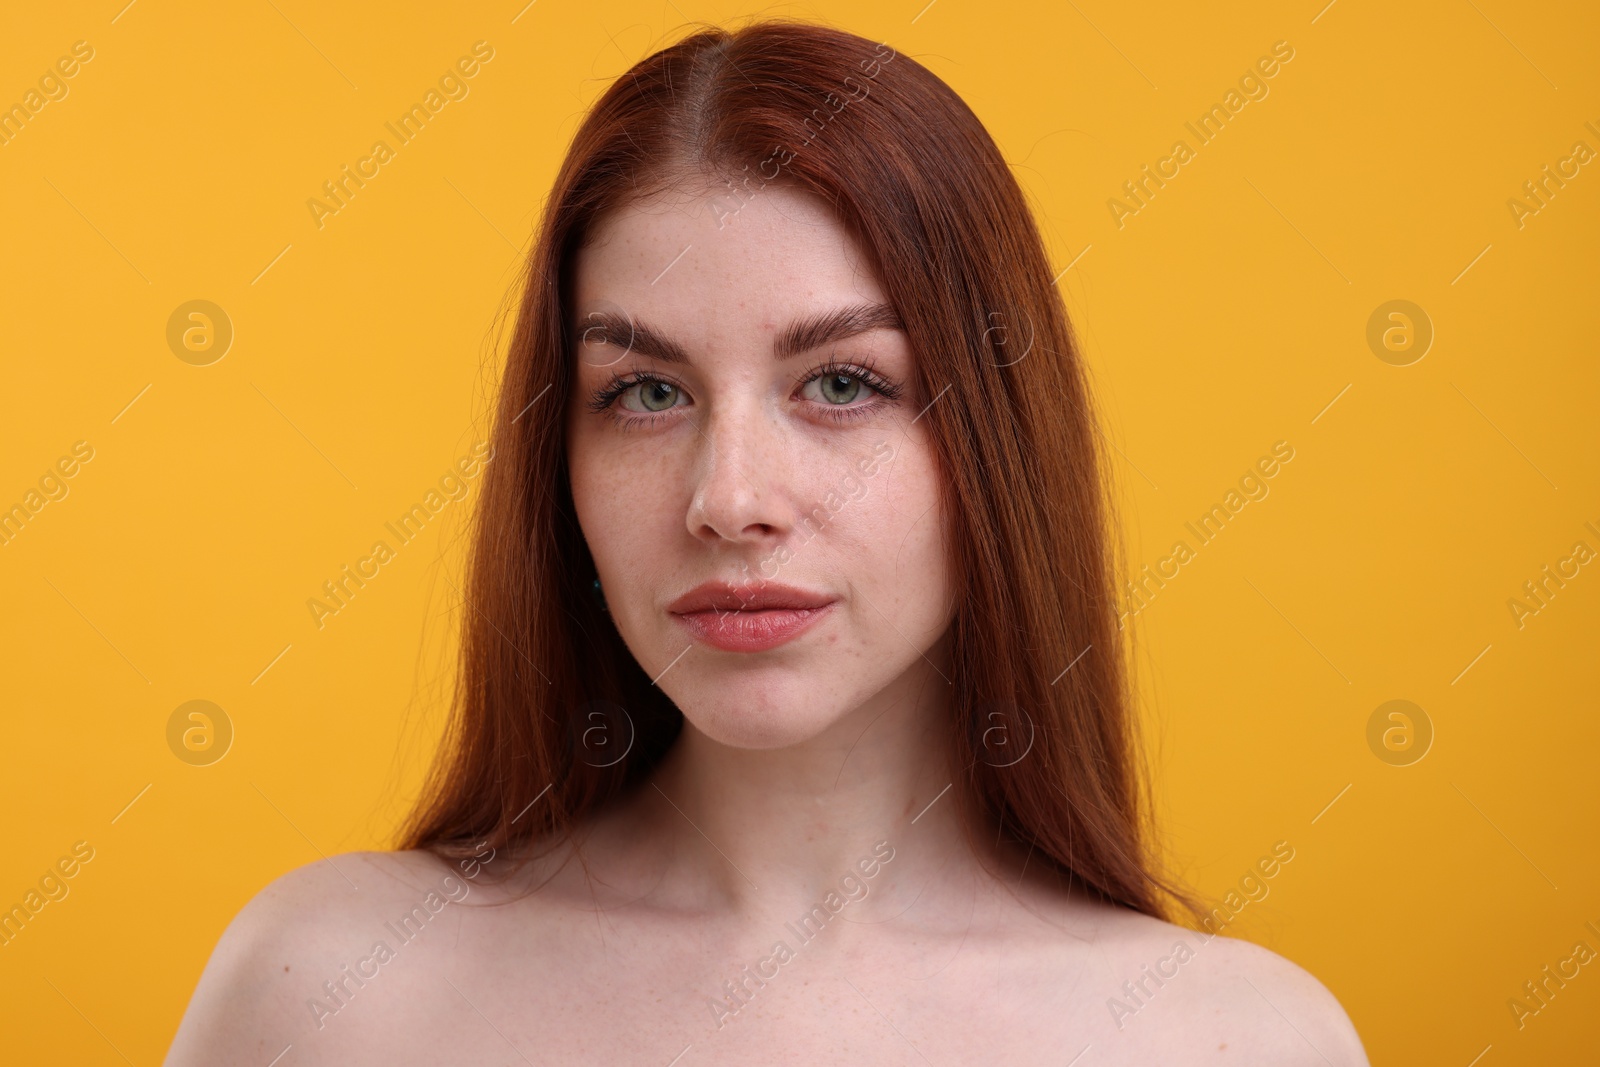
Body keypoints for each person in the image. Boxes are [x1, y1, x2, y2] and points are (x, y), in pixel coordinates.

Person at [166, 19, 1368, 1065]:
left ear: (996, 436)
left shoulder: (1231, 1040)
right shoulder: (330, 991)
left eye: (841, 381)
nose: (729, 499)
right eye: (645, 392)